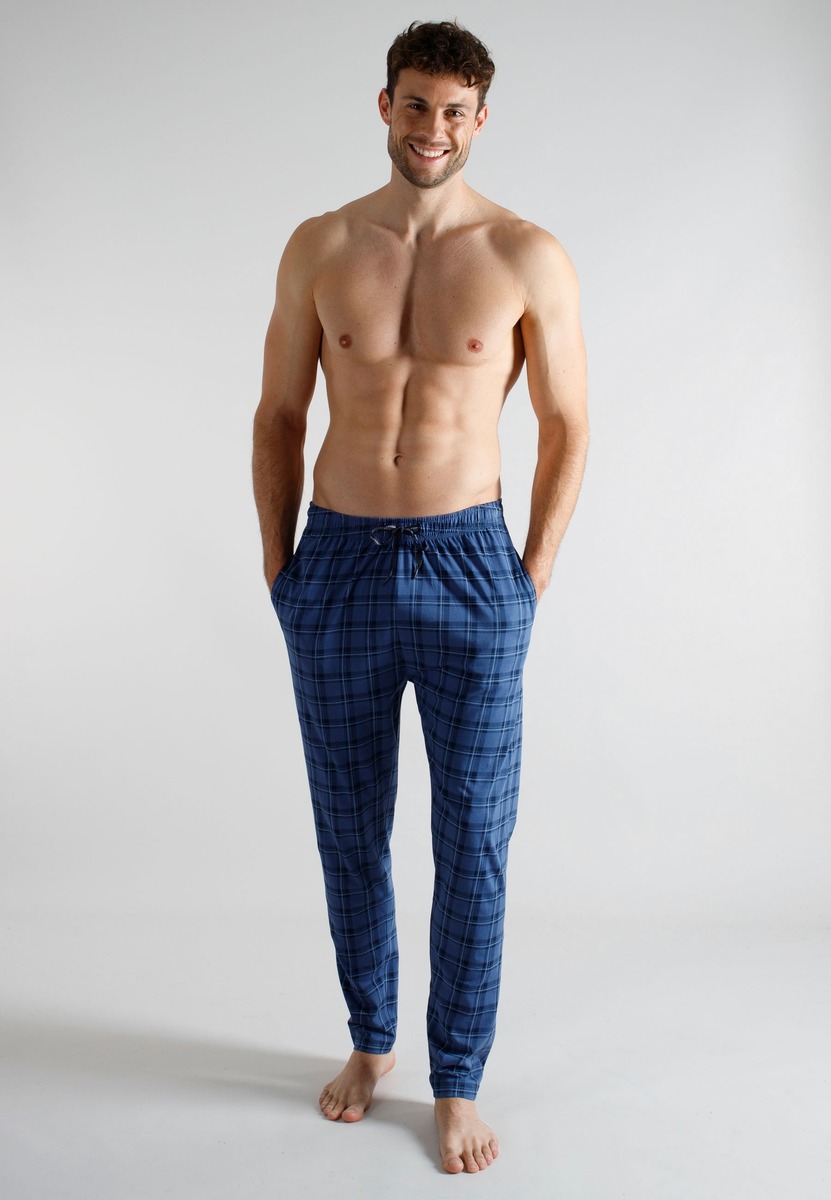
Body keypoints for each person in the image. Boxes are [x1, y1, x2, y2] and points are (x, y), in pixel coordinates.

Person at [252, 19, 589, 1175]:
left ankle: (457, 1077)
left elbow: (567, 423)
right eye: (414, 104)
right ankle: (371, 1039)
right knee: (348, 826)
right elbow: (280, 413)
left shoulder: (526, 253)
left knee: (474, 837)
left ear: (480, 119)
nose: (432, 128)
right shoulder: (322, 244)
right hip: (338, 561)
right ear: (384, 106)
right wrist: (280, 566)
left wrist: (530, 574)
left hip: (470, 564)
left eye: (454, 110)